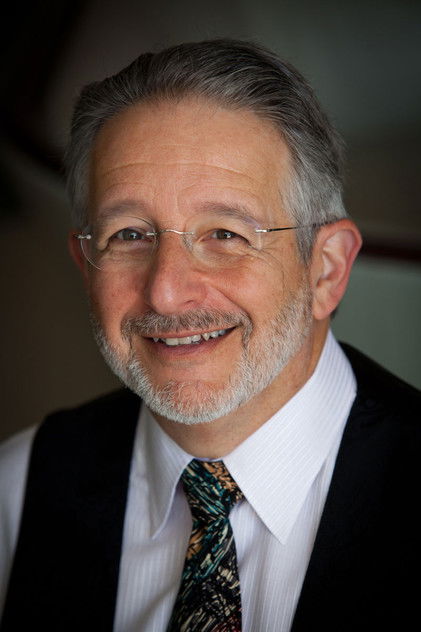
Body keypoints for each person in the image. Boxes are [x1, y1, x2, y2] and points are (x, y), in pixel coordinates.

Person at [0, 39, 419, 632]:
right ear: (85, 264)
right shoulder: (17, 492)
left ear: (325, 269)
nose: (167, 292)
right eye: (128, 235)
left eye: (225, 234)